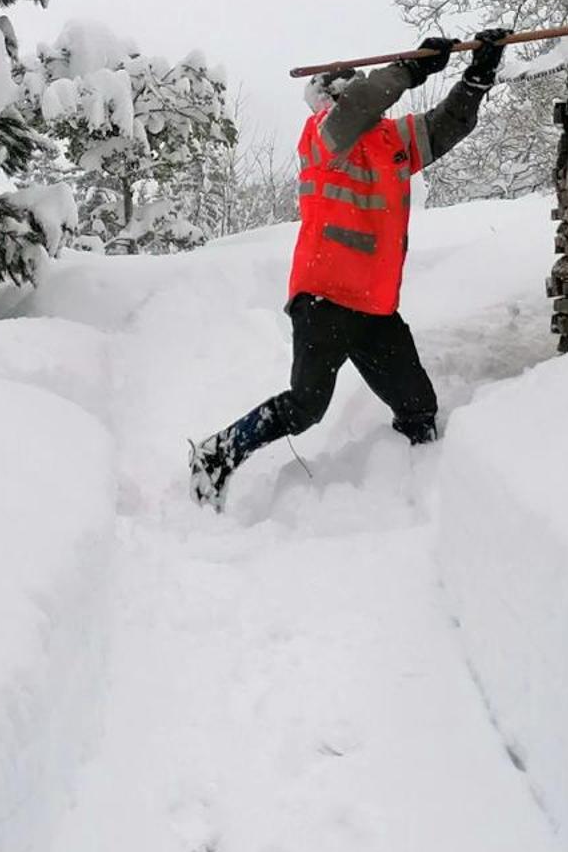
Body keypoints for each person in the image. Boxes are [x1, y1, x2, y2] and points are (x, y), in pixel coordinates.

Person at [188, 28, 508, 507]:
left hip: (376, 308)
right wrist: (411, 69)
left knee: (418, 407)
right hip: (323, 299)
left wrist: (477, 76)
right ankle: (218, 454)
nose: (352, 97)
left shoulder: (391, 140)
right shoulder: (321, 137)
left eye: (351, 88)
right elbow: (359, 105)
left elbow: (448, 125)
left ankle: (418, 494)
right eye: (341, 92)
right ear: (326, 100)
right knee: (307, 406)